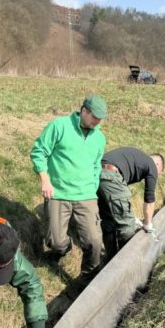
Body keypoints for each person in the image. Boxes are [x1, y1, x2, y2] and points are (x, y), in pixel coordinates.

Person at [30, 95, 106, 279]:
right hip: (59, 193)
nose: (98, 122)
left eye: (101, 119)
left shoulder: (99, 138)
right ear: (84, 111)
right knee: (55, 242)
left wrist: (93, 187)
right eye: (94, 117)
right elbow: (38, 152)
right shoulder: (59, 126)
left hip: (86, 195)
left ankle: (87, 278)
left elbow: (96, 165)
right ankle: (65, 248)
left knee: (94, 242)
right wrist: (45, 179)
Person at [97, 147, 165, 259]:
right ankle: (126, 262)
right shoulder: (151, 165)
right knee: (127, 226)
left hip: (96, 174)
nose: (156, 175)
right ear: (157, 164)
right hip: (111, 175)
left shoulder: (136, 157)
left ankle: (111, 259)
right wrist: (147, 224)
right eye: (159, 172)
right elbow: (149, 199)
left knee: (108, 220)